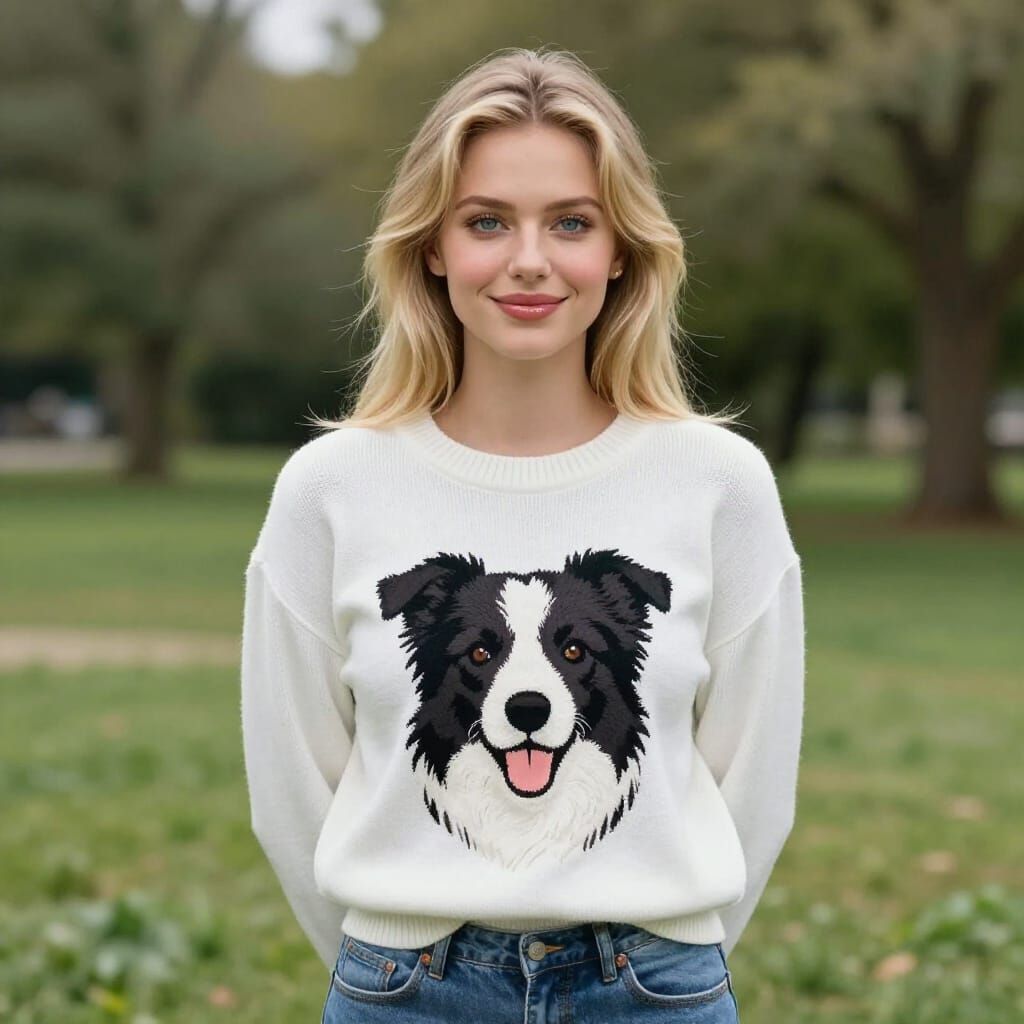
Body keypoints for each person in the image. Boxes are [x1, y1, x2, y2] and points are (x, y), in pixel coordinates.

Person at [240, 46, 804, 1023]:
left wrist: (667, 947)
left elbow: (753, 782)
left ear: (620, 249)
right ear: (432, 246)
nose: (530, 259)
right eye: (487, 221)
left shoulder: (718, 484)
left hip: (654, 989)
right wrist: (389, 949)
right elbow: (292, 786)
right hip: (403, 992)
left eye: (571, 223)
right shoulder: (331, 489)